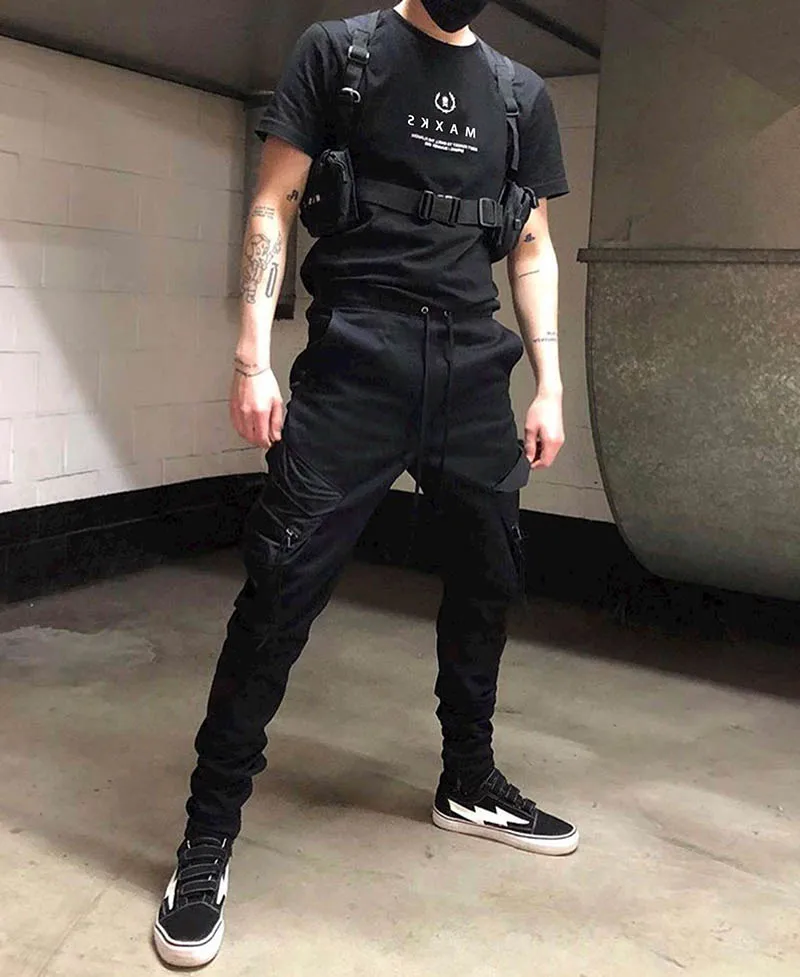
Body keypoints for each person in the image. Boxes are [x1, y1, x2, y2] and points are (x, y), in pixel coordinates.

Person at [154, 0, 578, 967]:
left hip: (472, 368)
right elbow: (273, 202)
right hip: (356, 361)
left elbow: (531, 246)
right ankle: (207, 835)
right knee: (279, 592)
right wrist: (252, 358)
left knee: (491, 575)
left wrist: (550, 383)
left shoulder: (520, 95)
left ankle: (467, 780)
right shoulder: (340, 54)